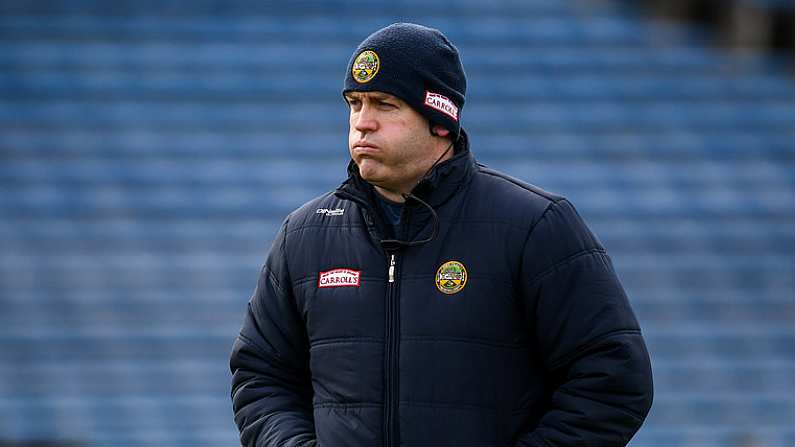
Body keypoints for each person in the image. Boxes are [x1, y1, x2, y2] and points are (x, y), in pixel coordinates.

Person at [230, 23, 653, 447]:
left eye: (384, 104)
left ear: (440, 121)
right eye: (354, 104)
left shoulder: (534, 225)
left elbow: (613, 379)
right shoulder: (305, 235)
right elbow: (261, 376)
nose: (362, 123)